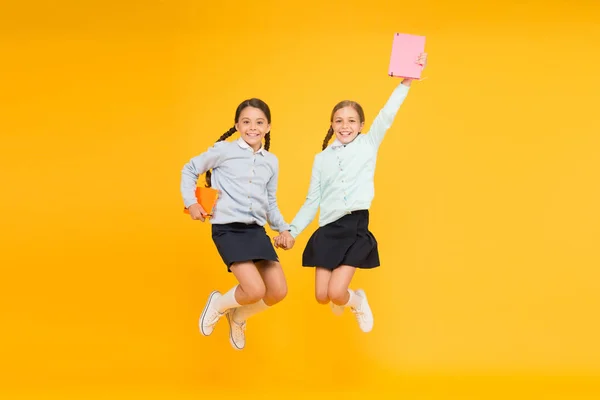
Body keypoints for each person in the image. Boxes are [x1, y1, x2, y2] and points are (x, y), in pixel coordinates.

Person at [275, 53, 428, 333]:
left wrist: (406, 82)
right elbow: (312, 201)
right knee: (322, 297)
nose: (345, 126)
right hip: (328, 229)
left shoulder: (368, 144)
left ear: (361, 126)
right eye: (339, 121)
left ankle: (356, 301)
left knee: (336, 292)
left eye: (351, 121)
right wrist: (291, 231)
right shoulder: (321, 159)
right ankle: (342, 300)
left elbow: (387, 115)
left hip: (355, 226)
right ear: (332, 125)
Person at [181, 98, 295, 350]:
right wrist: (191, 203)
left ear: (268, 127)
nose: (252, 127)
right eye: (246, 122)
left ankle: (239, 316)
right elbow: (189, 169)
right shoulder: (224, 150)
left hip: (255, 230)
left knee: (277, 291)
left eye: (259, 122)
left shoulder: (271, 161)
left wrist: (284, 229)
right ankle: (218, 304)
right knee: (253, 290)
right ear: (237, 125)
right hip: (228, 229)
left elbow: (270, 202)